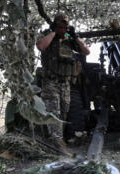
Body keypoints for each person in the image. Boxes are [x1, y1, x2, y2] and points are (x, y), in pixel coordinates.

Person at [36, 13, 90, 151]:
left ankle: (56, 141)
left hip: (65, 83)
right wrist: (54, 32)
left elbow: (86, 51)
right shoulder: (48, 36)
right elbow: (41, 46)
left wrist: (75, 36)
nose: (64, 30)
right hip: (51, 82)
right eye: (61, 27)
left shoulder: (69, 39)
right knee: (53, 113)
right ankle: (58, 144)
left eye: (66, 27)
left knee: (64, 113)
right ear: (55, 25)